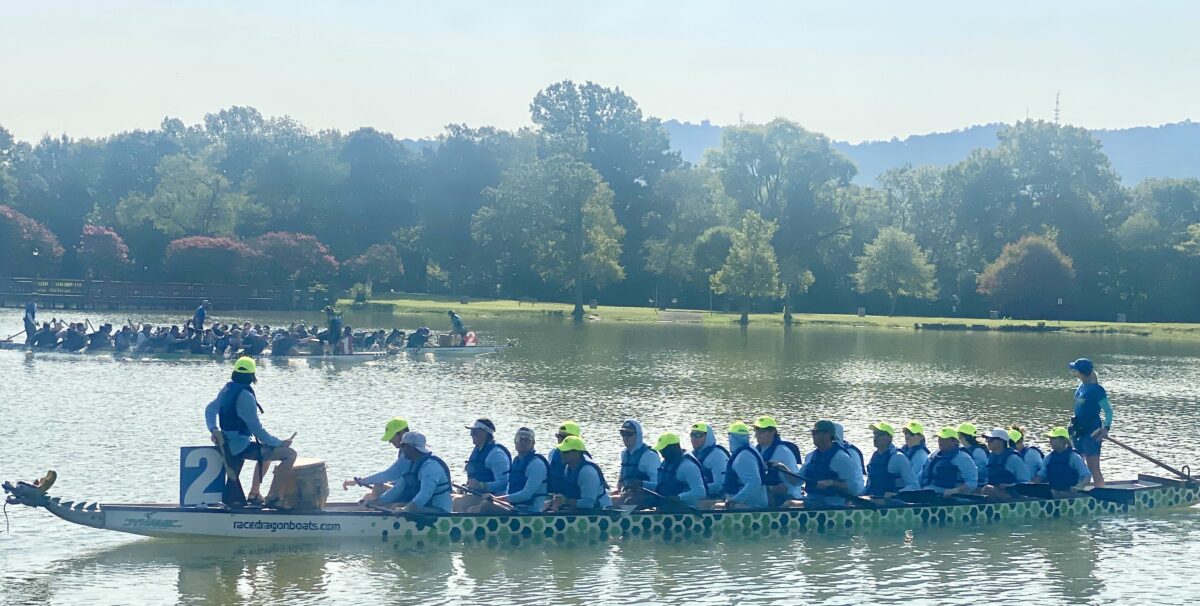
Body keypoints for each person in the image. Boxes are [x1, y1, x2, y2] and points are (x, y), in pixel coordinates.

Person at [203, 357, 298, 508]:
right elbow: (256, 429)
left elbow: (210, 410)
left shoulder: (227, 390)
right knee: (290, 454)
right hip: (239, 447)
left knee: (268, 453)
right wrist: (280, 443)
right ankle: (273, 497)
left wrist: (213, 429)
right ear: (252, 376)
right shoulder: (245, 396)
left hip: (229, 443)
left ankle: (254, 494)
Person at [783, 420, 866, 507]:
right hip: (812, 501)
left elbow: (855, 487)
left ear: (827, 434)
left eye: (816, 432)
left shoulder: (840, 458)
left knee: (789, 504)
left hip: (833, 505)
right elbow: (796, 482)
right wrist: (782, 468)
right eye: (812, 432)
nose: (813, 435)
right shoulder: (810, 456)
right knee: (787, 502)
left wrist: (831, 483)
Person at [343, 418, 411, 505]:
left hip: (411, 495)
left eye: (391, 437)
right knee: (368, 496)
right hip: (405, 490)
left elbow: (388, 475)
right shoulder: (408, 450)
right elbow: (397, 477)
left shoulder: (409, 453)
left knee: (377, 488)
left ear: (402, 433)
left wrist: (359, 481)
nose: (390, 441)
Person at [1068, 358, 1113, 487]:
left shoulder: (1097, 390)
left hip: (1092, 432)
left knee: (1093, 467)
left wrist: (1106, 428)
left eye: (1075, 370)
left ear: (1082, 373)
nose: (1073, 372)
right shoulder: (1082, 385)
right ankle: (1077, 491)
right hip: (1078, 430)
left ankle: (1101, 493)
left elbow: (1108, 411)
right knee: (1077, 465)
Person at [632, 433, 706, 511]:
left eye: (663, 450)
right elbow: (662, 486)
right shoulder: (666, 463)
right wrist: (642, 484)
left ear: (673, 448)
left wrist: (679, 497)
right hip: (666, 504)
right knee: (634, 500)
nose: (661, 453)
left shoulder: (688, 467)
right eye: (660, 450)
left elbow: (700, 492)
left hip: (685, 508)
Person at [453, 419, 512, 512]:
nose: (471, 435)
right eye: (471, 432)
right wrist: (467, 486)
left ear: (484, 433)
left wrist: (481, 485)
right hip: (478, 495)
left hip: (495, 499)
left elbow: (503, 483)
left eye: (474, 432)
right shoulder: (478, 450)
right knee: (450, 498)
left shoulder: (497, 454)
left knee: (459, 503)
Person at [487, 427, 548, 514]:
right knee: (479, 504)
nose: (523, 442)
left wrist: (498, 499)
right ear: (515, 442)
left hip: (531, 511)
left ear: (533, 443)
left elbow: (526, 494)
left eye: (527, 440)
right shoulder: (516, 461)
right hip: (516, 507)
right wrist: (495, 498)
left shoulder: (537, 464)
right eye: (520, 439)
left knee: (484, 507)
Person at [393, 432, 453, 514]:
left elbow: (425, 493)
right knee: (394, 505)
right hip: (426, 507)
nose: (401, 449)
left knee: (400, 507)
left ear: (412, 447)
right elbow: (397, 488)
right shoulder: (411, 464)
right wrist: (378, 501)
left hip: (440, 511)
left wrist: (406, 509)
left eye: (403, 445)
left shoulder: (431, 466)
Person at [547, 436, 612, 512]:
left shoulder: (587, 472)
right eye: (560, 451)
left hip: (601, 511)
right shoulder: (568, 467)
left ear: (577, 453)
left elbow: (588, 504)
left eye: (565, 452)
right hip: (582, 510)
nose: (561, 454)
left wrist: (565, 501)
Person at [753, 416, 803, 506]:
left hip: (788, 496)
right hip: (768, 494)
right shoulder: (757, 450)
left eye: (762, 431)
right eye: (756, 430)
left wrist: (782, 467)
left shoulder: (783, 452)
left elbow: (796, 482)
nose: (757, 434)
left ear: (773, 432)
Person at [717, 422, 768, 510]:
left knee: (712, 506)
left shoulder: (744, 457)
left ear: (732, 438)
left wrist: (734, 500)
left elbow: (755, 482)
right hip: (749, 502)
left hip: (752, 505)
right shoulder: (748, 450)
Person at [863, 422, 918, 498]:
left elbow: (914, 485)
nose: (876, 437)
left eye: (880, 434)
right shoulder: (874, 457)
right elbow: (868, 485)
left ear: (889, 438)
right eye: (875, 433)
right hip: (872, 499)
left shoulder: (898, 458)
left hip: (892, 502)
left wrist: (897, 494)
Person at [920, 426, 978, 496]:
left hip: (950, 497)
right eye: (939, 438)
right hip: (927, 492)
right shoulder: (933, 455)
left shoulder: (963, 458)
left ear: (954, 441)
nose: (940, 441)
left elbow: (972, 483)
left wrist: (955, 491)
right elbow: (921, 476)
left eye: (944, 438)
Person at [1034, 427, 1093, 494]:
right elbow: (1041, 475)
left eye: (1054, 438)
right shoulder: (1048, 458)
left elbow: (1086, 475)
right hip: (1054, 491)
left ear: (1063, 440)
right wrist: (1031, 484)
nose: (1050, 441)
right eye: (1050, 438)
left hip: (1071, 492)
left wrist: (1080, 486)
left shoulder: (1074, 457)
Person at [614, 419, 661, 503]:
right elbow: (622, 476)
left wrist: (641, 484)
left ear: (638, 435)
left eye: (629, 434)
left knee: (611, 501)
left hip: (647, 497)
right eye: (623, 433)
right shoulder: (624, 454)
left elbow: (658, 485)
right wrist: (618, 489)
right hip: (628, 495)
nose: (625, 437)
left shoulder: (650, 456)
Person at [981, 427, 1032, 498]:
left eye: (991, 440)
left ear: (1001, 442)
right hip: (996, 493)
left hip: (1015, 496)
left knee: (988, 489)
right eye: (987, 439)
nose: (988, 442)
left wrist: (1010, 485)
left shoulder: (1013, 459)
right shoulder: (991, 457)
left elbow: (1026, 483)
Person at [690, 422, 729, 505]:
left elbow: (719, 485)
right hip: (701, 496)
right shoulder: (694, 454)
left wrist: (696, 490)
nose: (694, 438)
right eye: (692, 435)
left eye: (698, 435)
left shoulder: (717, 455)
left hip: (718, 498)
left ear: (708, 436)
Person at [547, 421, 584, 495]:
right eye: (558, 436)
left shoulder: (583, 458)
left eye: (564, 437)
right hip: (554, 494)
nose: (560, 439)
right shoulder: (552, 453)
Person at [957, 422, 988, 489]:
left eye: (959, 435)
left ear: (963, 436)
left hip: (979, 484)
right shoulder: (964, 449)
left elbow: (982, 471)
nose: (959, 438)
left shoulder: (978, 451)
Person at [900, 421, 931, 485]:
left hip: (913, 487)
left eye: (911, 433)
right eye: (906, 432)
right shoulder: (904, 449)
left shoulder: (921, 455)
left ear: (921, 437)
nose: (907, 435)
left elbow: (913, 478)